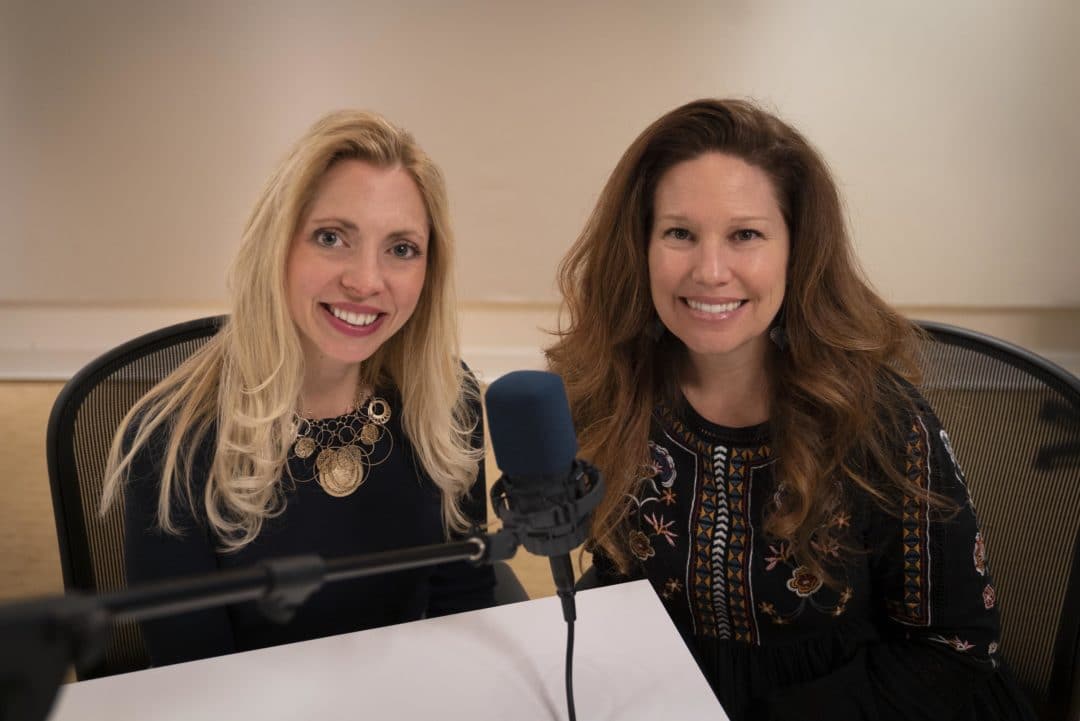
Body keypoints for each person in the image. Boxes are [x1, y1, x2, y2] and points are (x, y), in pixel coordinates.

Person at [546, 99, 1035, 720]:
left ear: (795, 250)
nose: (710, 270)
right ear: (640, 246)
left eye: (745, 234)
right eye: (679, 233)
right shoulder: (606, 390)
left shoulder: (880, 420)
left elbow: (957, 646)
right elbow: (620, 579)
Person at [101, 110, 494, 666]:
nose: (365, 281)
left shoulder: (449, 403)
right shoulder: (171, 440)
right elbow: (194, 675)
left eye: (401, 248)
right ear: (277, 246)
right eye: (332, 238)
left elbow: (465, 600)